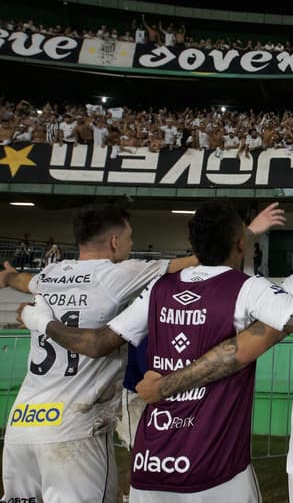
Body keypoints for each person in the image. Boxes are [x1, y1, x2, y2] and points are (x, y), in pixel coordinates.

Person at [20, 199, 293, 502]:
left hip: (153, 462)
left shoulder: (159, 289)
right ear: (240, 244)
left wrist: (41, 322)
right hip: (216, 464)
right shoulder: (248, 288)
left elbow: (97, 343)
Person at [0, 205, 200, 503]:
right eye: (130, 237)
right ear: (115, 242)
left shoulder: (50, 274)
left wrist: (8, 277)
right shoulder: (119, 274)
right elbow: (196, 260)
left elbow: (22, 281)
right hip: (75, 431)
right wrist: (243, 234)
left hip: (22, 427)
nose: (132, 244)